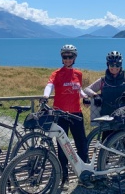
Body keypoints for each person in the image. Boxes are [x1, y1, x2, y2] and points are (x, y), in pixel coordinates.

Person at [42, 44, 90, 190]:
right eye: (65, 56)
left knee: (82, 145)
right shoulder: (56, 73)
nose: (67, 59)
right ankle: (64, 178)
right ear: (62, 58)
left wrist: (85, 96)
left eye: (70, 56)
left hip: (76, 114)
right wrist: (45, 96)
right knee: (62, 147)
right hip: (60, 114)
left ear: (75, 58)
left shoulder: (78, 74)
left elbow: (78, 89)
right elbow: (50, 85)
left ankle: (84, 174)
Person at [82, 51, 125, 141]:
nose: (114, 68)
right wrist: (94, 95)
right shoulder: (103, 80)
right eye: (112, 65)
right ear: (108, 65)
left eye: (117, 65)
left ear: (121, 65)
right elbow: (87, 89)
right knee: (106, 145)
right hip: (108, 117)